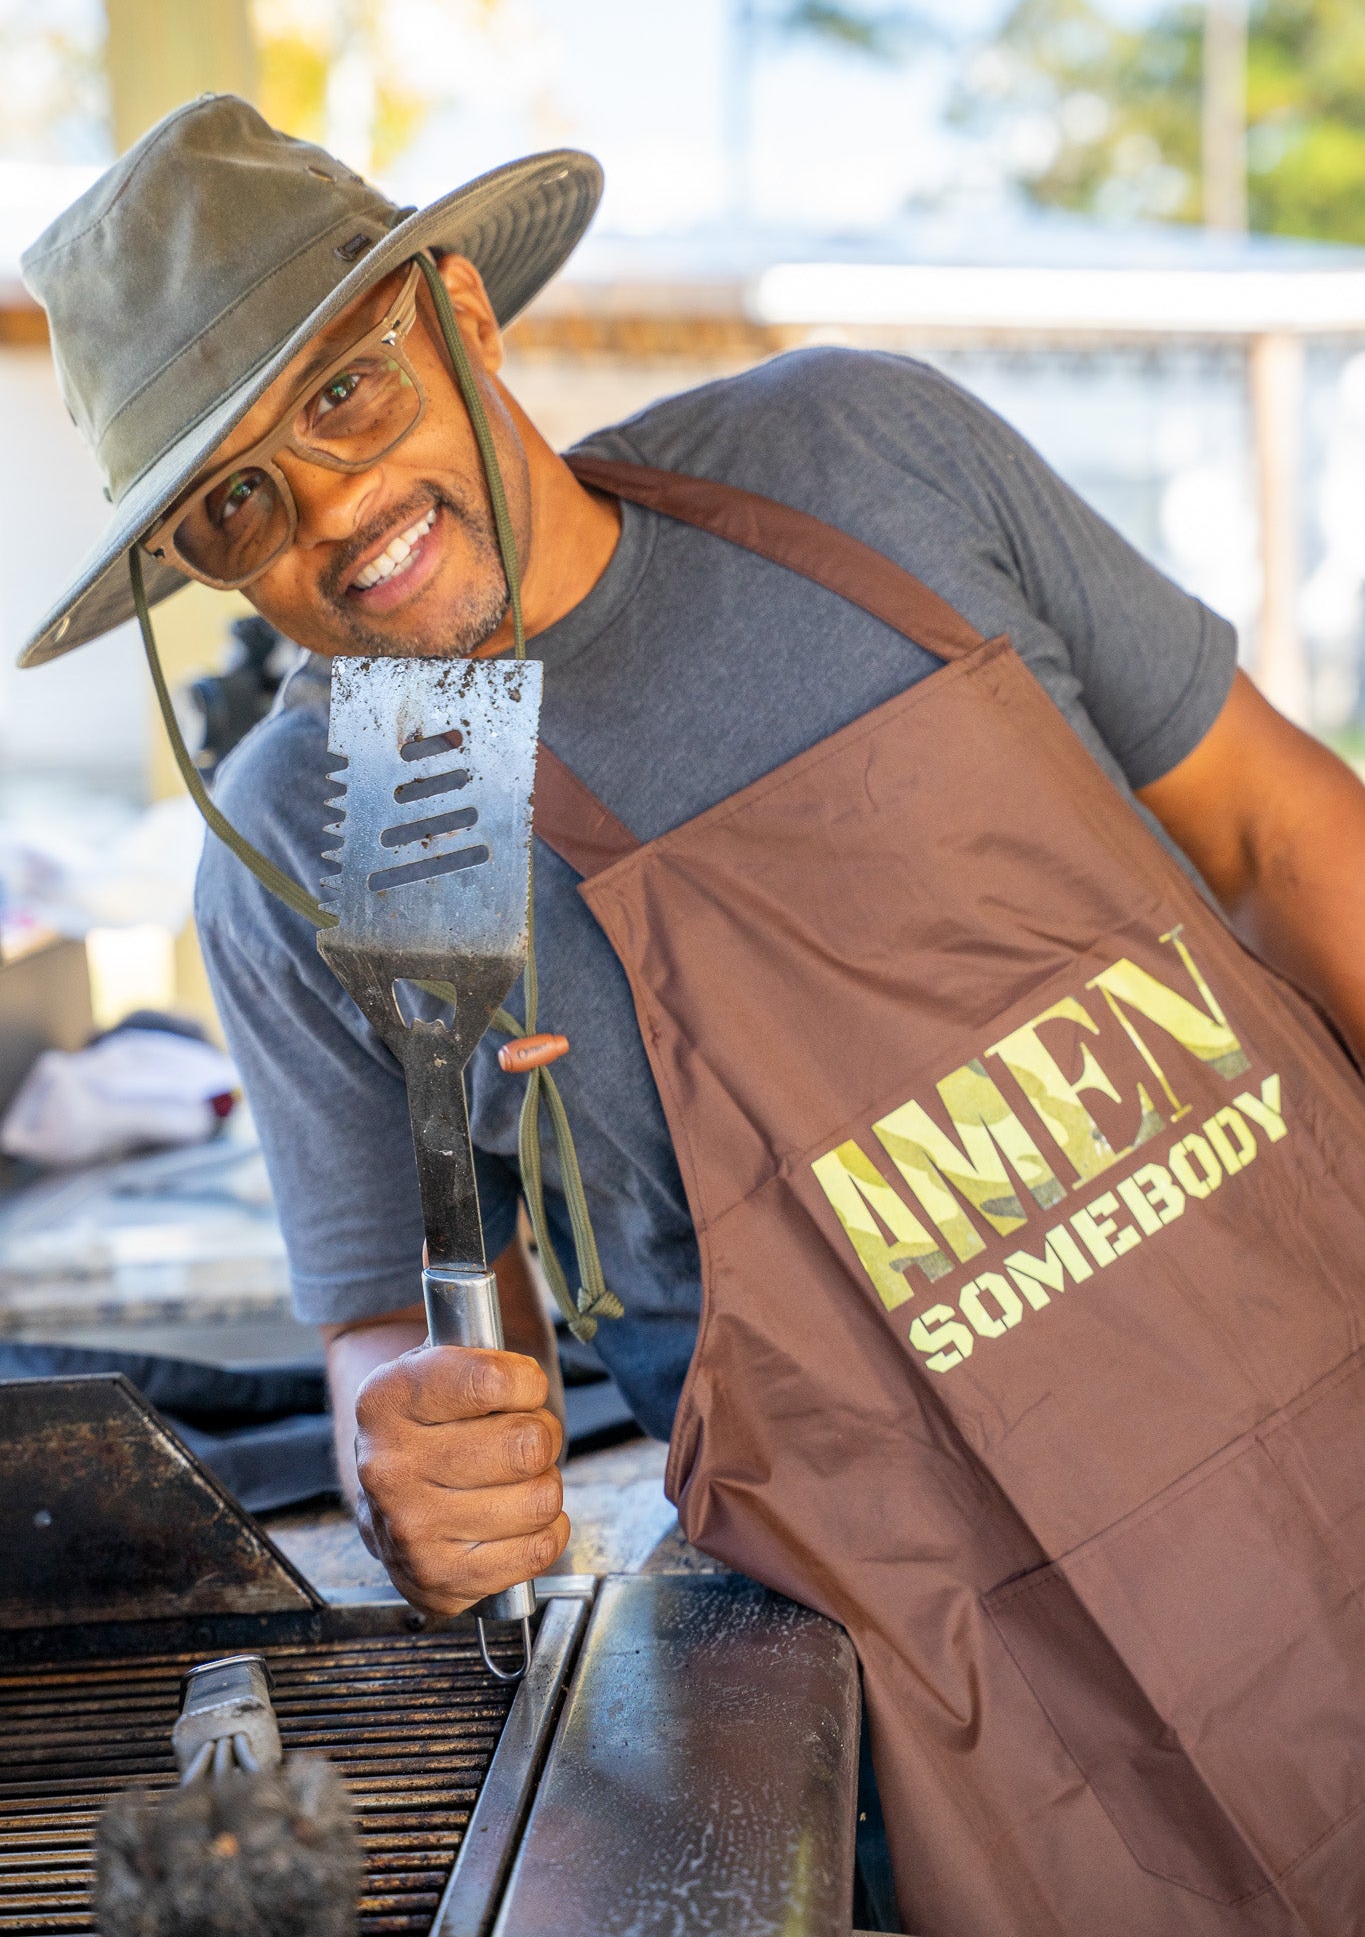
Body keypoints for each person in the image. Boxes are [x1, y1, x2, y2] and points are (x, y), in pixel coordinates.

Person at [22, 96, 1365, 1937]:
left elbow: (1284, 833)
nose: (337, 512)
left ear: (461, 320)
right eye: (239, 500)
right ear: (203, 568)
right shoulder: (314, 831)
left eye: (343, 393)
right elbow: (394, 1327)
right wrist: (400, 1455)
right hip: (994, 1677)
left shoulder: (857, 458)